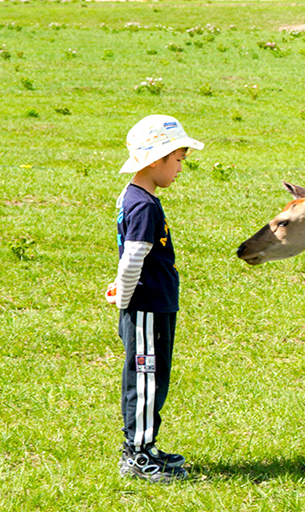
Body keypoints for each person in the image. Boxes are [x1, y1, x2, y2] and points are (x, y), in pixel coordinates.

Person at [105, 114, 203, 482]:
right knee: (146, 381)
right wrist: (125, 296)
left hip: (151, 304)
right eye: (177, 159)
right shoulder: (144, 205)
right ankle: (138, 456)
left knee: (152, 377)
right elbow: (133, 256)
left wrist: (120, 286)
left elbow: (129, 255)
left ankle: (144, 447)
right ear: (155, 160)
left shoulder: (135, 196)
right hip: (147, 307)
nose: (180, 168)